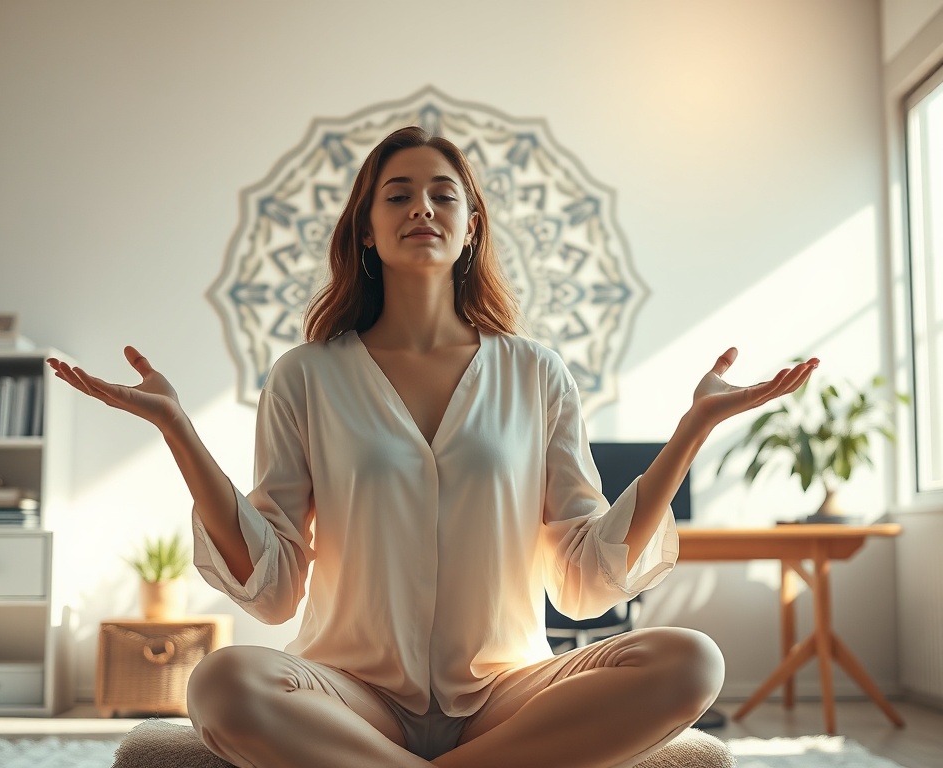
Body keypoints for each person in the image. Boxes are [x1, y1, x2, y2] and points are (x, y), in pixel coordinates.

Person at [48, 126, 817, 768]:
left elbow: (585, 577)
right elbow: (274, 581)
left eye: (443, 193)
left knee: (691, 662)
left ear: (471, 223)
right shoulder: (307, 376)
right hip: (350, 690)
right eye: (399, 193)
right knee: (221, 684)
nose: (422, 206)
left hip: (505, 693)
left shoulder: (534, 371)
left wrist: (691, 431)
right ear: (367, 227)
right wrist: (178, 430)